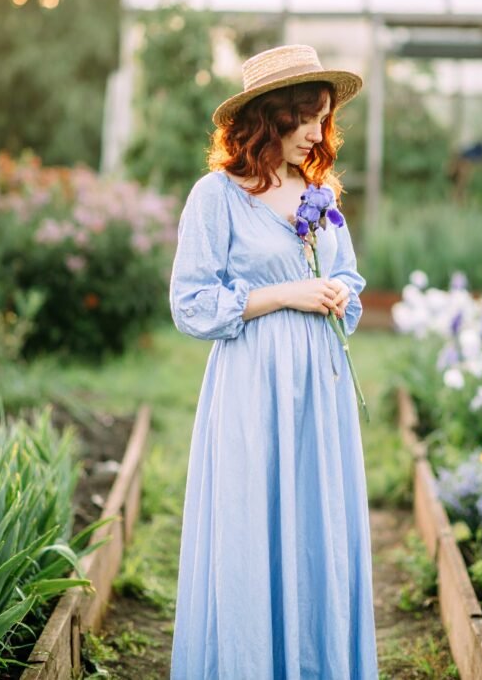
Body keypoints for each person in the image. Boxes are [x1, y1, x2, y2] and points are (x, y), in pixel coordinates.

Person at [168, 44, 378, 678]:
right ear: (270, 117)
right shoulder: (216, 197)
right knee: (252, 525)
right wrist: (285, 293)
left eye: (323, 118)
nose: (318, 132)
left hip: (321, 384)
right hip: (252, 384)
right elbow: (191, 303)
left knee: (318, 525)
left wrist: (341, 292)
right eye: (306, 117)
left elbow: (347, 278)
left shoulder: (319, 193)